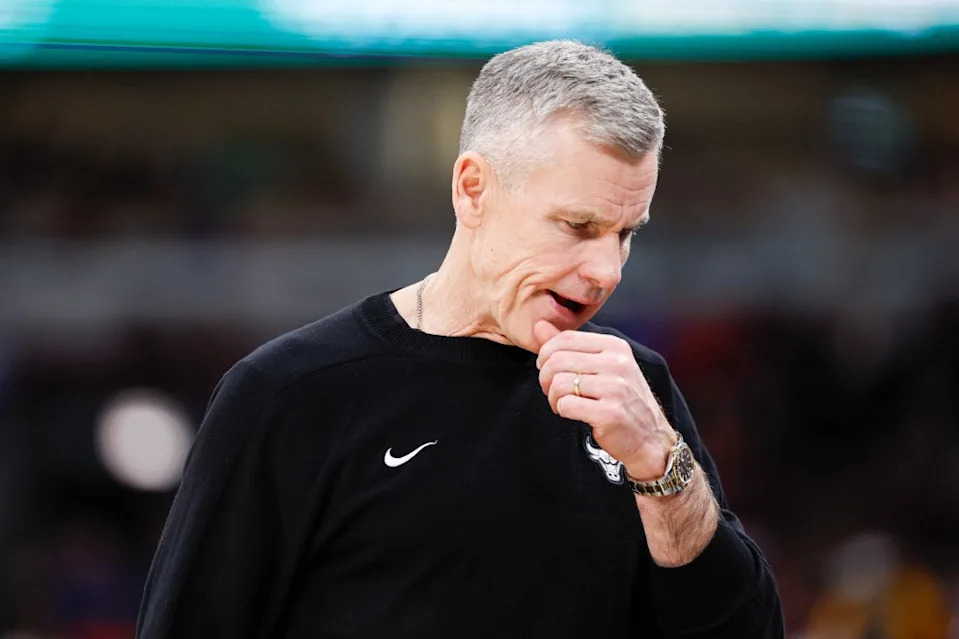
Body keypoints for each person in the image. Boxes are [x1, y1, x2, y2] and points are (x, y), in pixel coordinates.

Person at [137, 40, 784, 637]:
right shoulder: (289, 394)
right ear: (472, 189)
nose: (606, 271)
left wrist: (660, 464)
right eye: (577, 225)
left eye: (625, 233)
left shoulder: (633, 394)